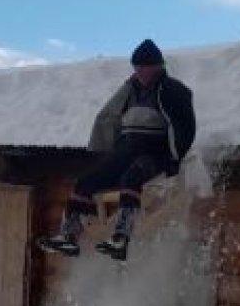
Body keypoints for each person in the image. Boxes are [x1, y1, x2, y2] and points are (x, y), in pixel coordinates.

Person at [39, 39, 195, 261]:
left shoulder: (172, 90)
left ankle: (121, 238)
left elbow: (184, 126)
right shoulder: (130, 91)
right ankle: (69, 237)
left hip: (156, 151)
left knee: (131, 178)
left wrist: (174, 157)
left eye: (143, 67)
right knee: (86, 182)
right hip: (128, 148)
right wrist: (108, 150)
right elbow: (110, 117)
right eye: (136, 67)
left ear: (157, 66)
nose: (139, 72)